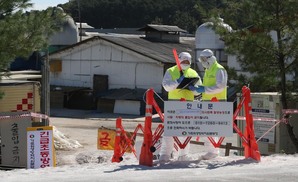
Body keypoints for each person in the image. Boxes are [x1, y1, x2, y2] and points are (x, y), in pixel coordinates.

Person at [159, 52, 202, 162]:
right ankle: (165, 155)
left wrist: (195, 89)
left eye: (188, 62)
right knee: (170, 131)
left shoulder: (193, 72)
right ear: (179, 60)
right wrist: (177, 82)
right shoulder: (171, 71)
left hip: (188, 106)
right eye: (183, 61)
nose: (186, 63)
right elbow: (166, 86)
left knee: (186, 131)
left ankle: (183, 155)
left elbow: (199, 90)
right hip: (173, 105)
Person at [189, 49, 228, 160]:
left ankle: (213, 151)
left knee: (213, 128)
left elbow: (221, 86)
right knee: (207, 128)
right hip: (208, 102)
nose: (202, 62)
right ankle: (211, 151)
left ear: (210, 58)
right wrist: (200, 90)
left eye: (204, 59)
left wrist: (204, 89)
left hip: (217, 102)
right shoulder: (208, 70)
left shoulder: (219, 69)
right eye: (201, 60)